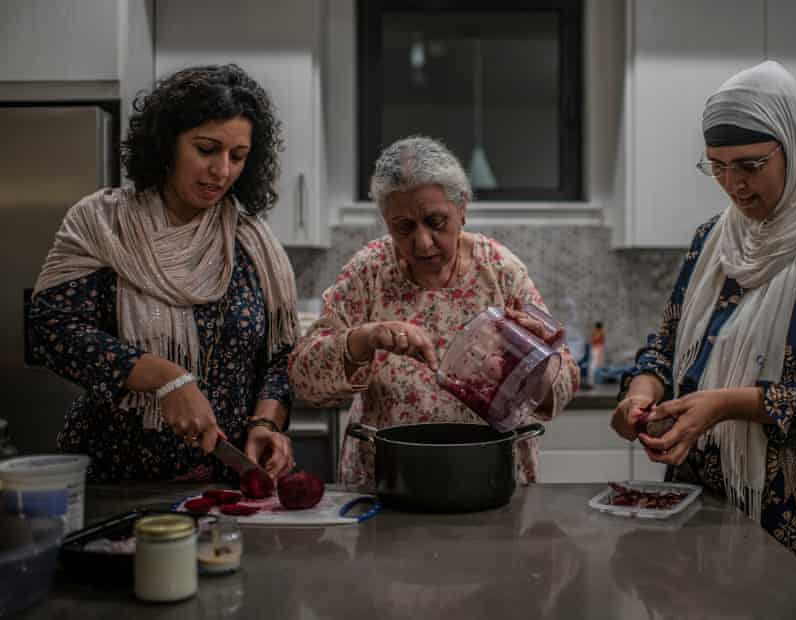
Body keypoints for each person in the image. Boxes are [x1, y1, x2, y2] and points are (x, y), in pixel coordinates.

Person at [610, 61, 796, 619]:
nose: (734, 184)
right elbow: (666, 347)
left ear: (794, 147)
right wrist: (642, 391)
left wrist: (724, 405)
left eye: (750, 165)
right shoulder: (713, 241)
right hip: (715, 504)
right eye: (717, 168)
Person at [28, 64, 300, 483]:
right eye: (206, 149)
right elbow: (51, 330)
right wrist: (165, 378)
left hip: (223, 483)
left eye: (237, 156)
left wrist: (265, 425)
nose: (222, 171)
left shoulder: (252, 242)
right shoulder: (104, 223)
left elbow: (281, 358)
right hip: (118, 478)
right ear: (167, 144)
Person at [289, 136, 579, 486]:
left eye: (436, 221)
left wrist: (537, 365)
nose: (423, 242)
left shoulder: (500, 271)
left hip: (488, 477)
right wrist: (363, 339)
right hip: (390, 481)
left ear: (462, 209)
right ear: (386, 221)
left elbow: (564, 380)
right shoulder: (368, 273)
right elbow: (305, 379)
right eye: (404, 227)